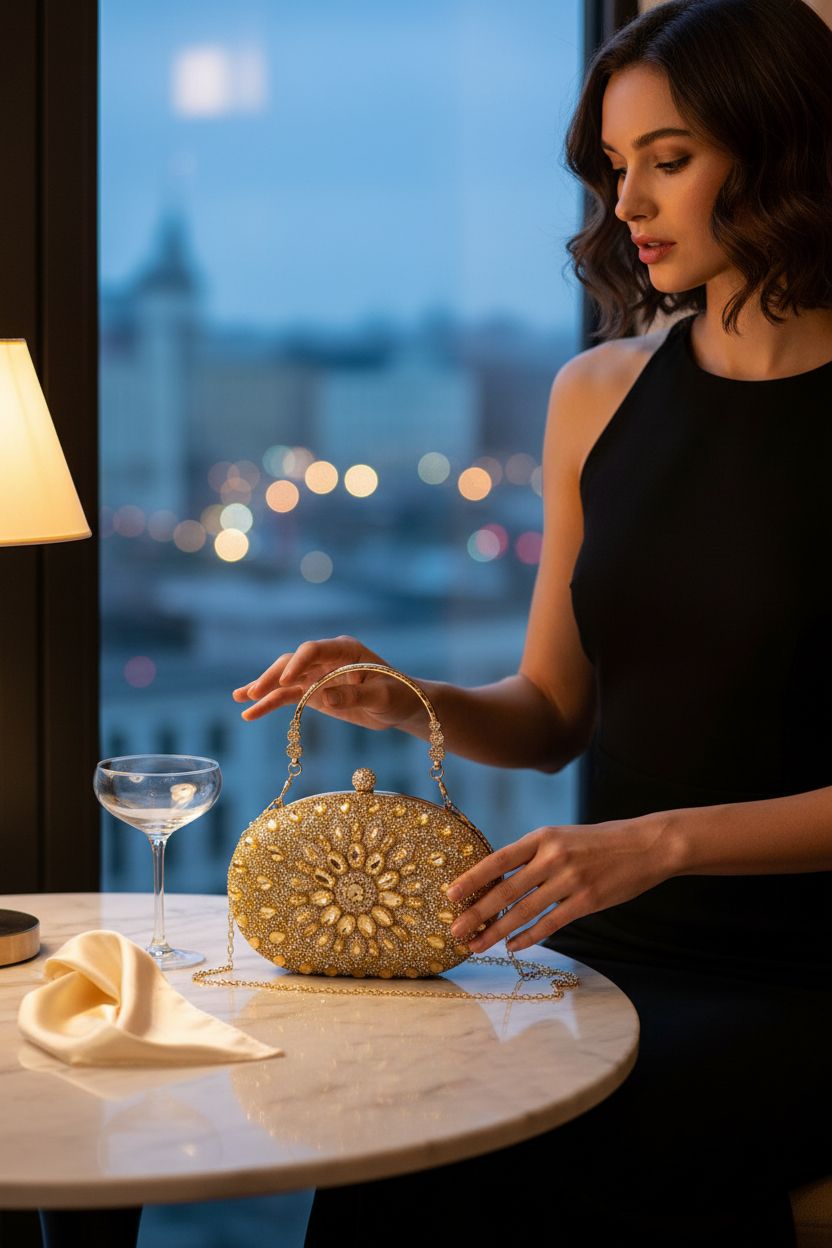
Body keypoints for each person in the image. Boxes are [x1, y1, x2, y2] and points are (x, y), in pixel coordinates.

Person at [233, 1, 832, 1243]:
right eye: (617, 169)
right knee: (384, 1137)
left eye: (668, 160)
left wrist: (657, 843)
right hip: (601, 955)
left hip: (808, 979)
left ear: (783, 149)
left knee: (507, 1171)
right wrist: (412, 701)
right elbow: (554, 716)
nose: (629, 203)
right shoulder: (597, 394)